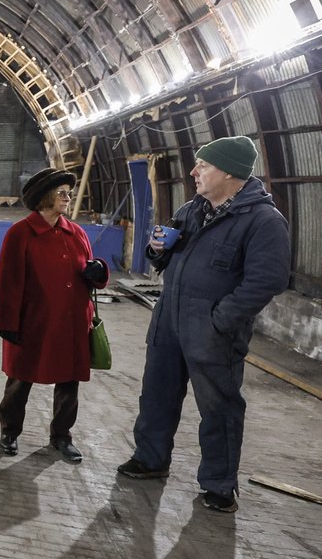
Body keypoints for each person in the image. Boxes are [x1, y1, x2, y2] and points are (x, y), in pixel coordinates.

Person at [117, 136, 290, 513]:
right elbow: (162, 257)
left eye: (204, 166)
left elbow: (267, 280)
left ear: (229, 172)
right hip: (169, 322)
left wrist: (220, 321)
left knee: (219, 409)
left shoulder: (262, 221)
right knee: (157, 395)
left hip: (212, 333)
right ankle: (150, 459)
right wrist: (157, 249)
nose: (194, 172)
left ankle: (218, 484)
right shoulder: (192, 210)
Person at [0, 168, 110, 461]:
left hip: (71, 322)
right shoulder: (21, 234)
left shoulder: (76, 232)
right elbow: (7, 281)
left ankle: (61, 435)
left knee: (69, 382)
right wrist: (7, 323)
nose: (68, 198)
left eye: (69, 193)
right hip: (34, 323)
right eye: (62, 193)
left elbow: (89, 272)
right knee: (20, 380)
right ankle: (9, 431)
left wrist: (99, 272)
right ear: (44, 198)